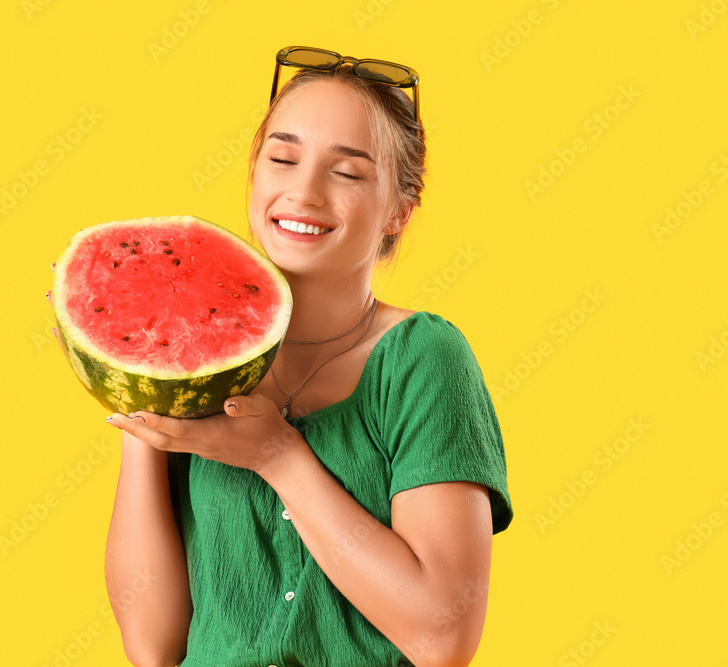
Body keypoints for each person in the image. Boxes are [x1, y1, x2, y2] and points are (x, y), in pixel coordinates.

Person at [103, 46, 513, 667]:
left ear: (398, 212)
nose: (304, 191)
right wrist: (143, 392)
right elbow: (153, 648)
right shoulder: (202, 366)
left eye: (347, 173)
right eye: (283, 158)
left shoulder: (424, 360)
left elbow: (442, 638)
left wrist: (278, 456)